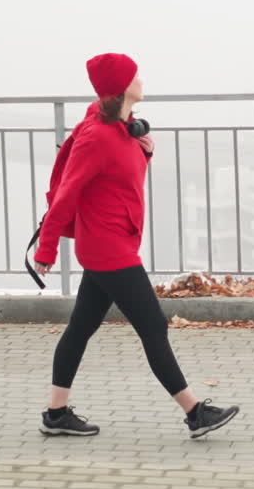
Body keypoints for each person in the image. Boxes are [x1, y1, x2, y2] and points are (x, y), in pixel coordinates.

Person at [34, 53, 239, 439]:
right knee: (153, 326)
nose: (141, 80)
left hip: (114, 241)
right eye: (135, 76)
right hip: (107, 249)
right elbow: (66, 194)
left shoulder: (125, 130)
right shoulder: (96, 136)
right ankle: (195, 412)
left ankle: (56, 414)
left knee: (81, 327)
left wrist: (145, 152)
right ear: (121, 87)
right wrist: (46, 249)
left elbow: (121, 179)